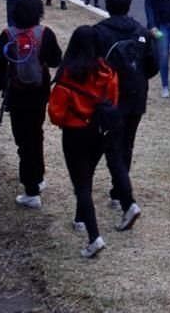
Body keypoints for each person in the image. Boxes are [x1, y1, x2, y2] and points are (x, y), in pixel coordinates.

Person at [48, 26, 141, 258]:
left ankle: (93, 236)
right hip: (100, 131)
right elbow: (113, 99)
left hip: (74, 133)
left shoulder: (67, 75)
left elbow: (55, 114)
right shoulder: (107, 72)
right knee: (88, 175)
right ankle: (84, 220)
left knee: (81, 183)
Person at [0, 0, 63, 209]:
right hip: (39, 93)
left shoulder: (7, 35)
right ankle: (38, 176)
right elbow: (57, 59)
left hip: (16, 94)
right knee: (36, 133)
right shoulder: (45, 33)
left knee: (23, 141)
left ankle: (31, 190)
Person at [93, 0, 160, 210]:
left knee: (108, 143)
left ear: (108, 6)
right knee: (127, 143)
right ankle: (118, 190)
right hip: (136, 92)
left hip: (108, 96)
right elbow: (153, 65)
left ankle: (115, 189)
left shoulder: (98, 33)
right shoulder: (140, 31)